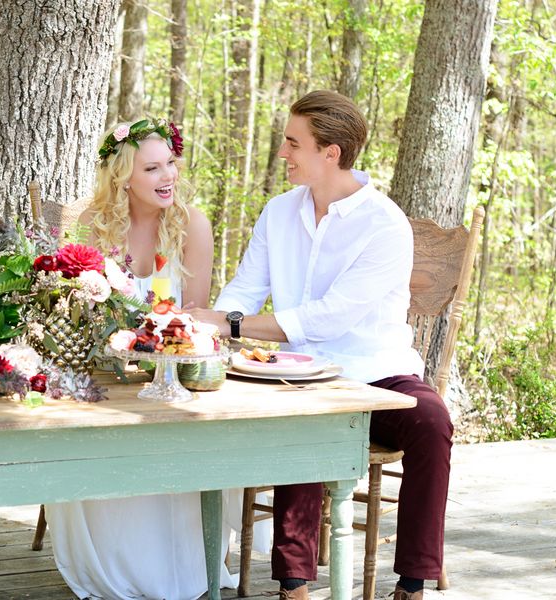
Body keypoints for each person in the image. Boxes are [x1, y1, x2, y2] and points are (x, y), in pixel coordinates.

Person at [190, 90, 452, 600]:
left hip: (376, 373)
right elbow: (245, 288)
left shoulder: (385, 225)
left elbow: (331, 318)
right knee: (305, 422)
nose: (282, 153)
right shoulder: (278, 212)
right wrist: (211, 323)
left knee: (431, 421)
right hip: (297, 373)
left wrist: (233, 325)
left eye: (292, 143)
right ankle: (295, 586)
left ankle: (412, 583)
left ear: (330, 153)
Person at [44, 117, 250, 600]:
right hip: (106, 376)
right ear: (123, 178)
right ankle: (114, 562)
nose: (168, 177)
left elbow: (195, 313)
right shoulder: (93, 226)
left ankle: (186, 560)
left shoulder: (190, 225)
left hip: (168, 375)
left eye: (171, 164)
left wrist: (160, 340)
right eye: (153, 168)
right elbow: (76, 311)